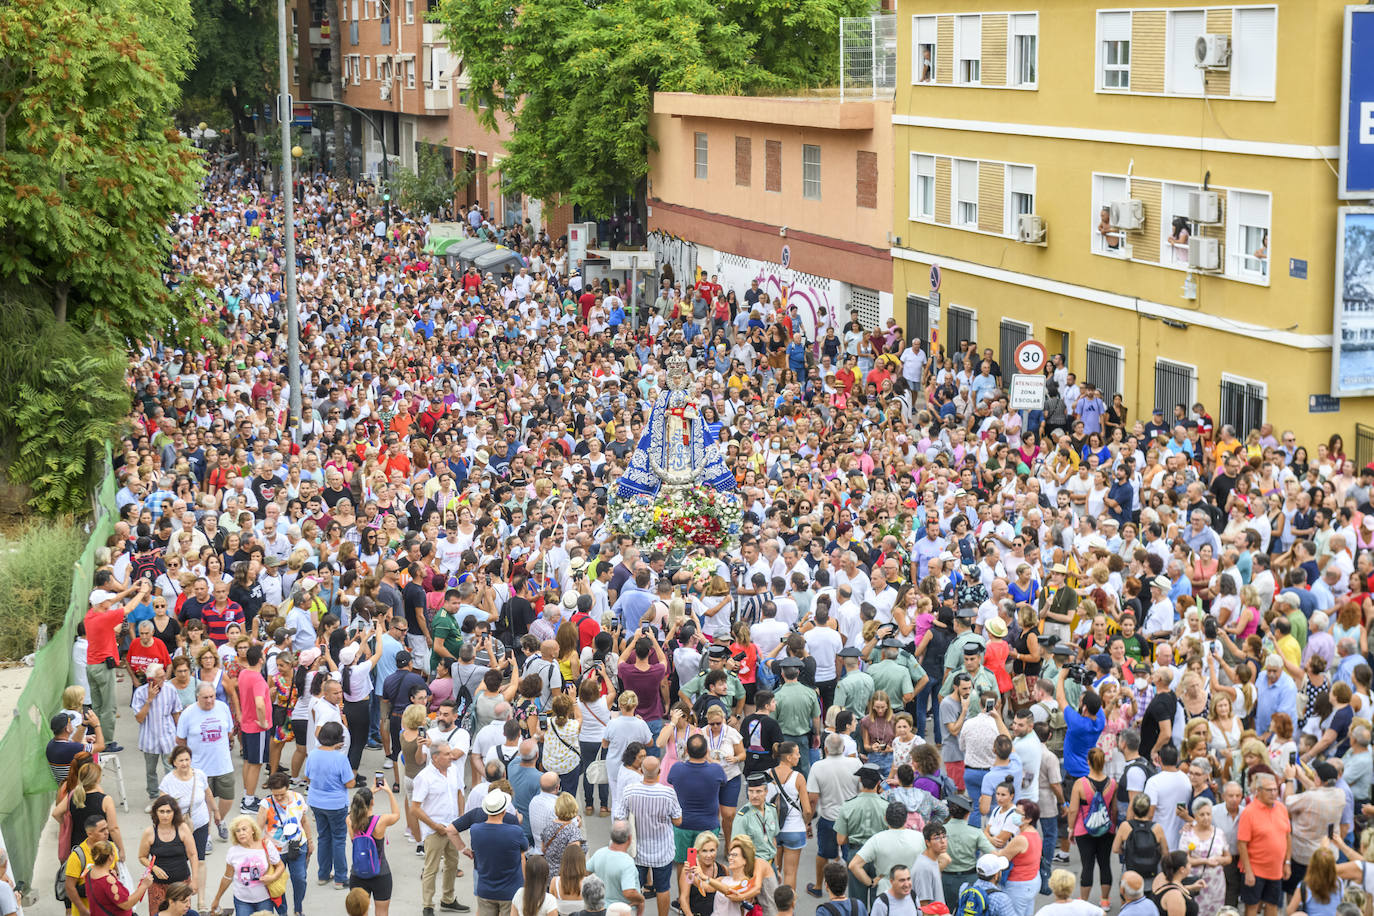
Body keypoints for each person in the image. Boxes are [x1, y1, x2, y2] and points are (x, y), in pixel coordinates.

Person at [615, 756, 681, 916]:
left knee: (635, 889)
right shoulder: (668, 793)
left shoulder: (629, 791)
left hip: (637, 851)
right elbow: (678, 820)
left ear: (641, 771)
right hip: (663, 851)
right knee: (663, 888)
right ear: (659, 772)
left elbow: (619, 818)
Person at [411, 739, 466, 916]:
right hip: (434, 830)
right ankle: (428, 905)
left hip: (452, 827)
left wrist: (460, 820)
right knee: (431, 868)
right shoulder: (424, 777)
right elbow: (415, 808)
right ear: (435, 757)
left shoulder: (453, 771)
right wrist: (435, 826)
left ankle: (447, 899)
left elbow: (459, 793)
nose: (451, 757)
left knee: (452, 863)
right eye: (447, 754)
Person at [175, 682, 235, 839]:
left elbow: (229, 731)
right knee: (204, 804)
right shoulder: (188, 713)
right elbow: (180, 739)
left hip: (223, 764)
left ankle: (219, 820)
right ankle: (206, 834)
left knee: (228, 798)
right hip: (199, 767)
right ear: (197, 697)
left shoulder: (222, 707)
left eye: (212, 697)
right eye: (205, 697)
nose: (209, 700)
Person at [304, 720, 355, 889]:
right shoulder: (340, 759)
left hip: (316, 802)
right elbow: (350, 783)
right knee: (339, 839)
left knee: (323, 837)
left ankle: (323, 874)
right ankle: (341, 878)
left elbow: (308, 777)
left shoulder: (312, 754)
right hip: (336, 804)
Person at [257, 771, 313, 916]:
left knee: (300, 879)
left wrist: (310, 841)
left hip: (298, 845)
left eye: (282, 794)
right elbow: (258, 829)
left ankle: (298, 908)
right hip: (275, 850)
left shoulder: (298, 798)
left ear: (288, 787)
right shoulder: (266, 804)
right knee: (277, 884)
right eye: (276, 795)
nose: (279, 797)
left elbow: (304, 821)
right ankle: (283, 913)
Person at [1236, 772, 1290, 916]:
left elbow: (1287, 836)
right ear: (1258, 792)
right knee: (1252, 907)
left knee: (1273, 906)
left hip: (1276, 870)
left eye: (1275, 790)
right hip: (1255, 869)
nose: (1273, 793)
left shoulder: (1282, 809)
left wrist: (1287, 862)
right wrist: (1248, 871)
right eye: (1269, 790)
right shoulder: (1249, 812)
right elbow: (1242, 844)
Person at [208, 815, 284, 916]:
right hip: (242, 901)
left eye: (244, 829)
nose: (241, 833)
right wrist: (217, 899)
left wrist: (272, 877)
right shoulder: (233, 852)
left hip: (264, 899)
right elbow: (227, 877)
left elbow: (280, 866)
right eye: (238, 831)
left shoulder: (266, 845)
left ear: (253, 830)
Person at [132, 662, 182, 811]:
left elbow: (176, 712)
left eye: (164, 677)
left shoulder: (170, 689)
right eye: (160, 678)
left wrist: (180, 735)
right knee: (151, 771)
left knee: (170, 768)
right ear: (150, 680)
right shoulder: (140, 693)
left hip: (168, 736)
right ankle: (154, 798)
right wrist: (149, 700)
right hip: (149, 738)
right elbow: (139, 718)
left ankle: (171, 798)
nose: (163, 680)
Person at [138, 794, 199, 916]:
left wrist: (195, 880)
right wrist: (154, 867)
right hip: (157, 885)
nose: (165, 815)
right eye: (161, 811)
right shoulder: (150, 832)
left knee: (182, 912)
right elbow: (142, 857)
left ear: (174, 813)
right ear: (156, 813)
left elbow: (193, 855)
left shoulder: (182, 828)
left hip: (181, 883)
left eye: (168, 811)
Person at [85, 838, 155, 914]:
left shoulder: (90, 871)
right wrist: (143, 886)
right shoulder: (108, 881)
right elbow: (126, 904)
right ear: (111, 857)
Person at [1038, 868, 1104, 916]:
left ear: (1051, 886)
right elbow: (1102, 913)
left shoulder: (1046, 911)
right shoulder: (1083, 905)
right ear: (1072, 887)